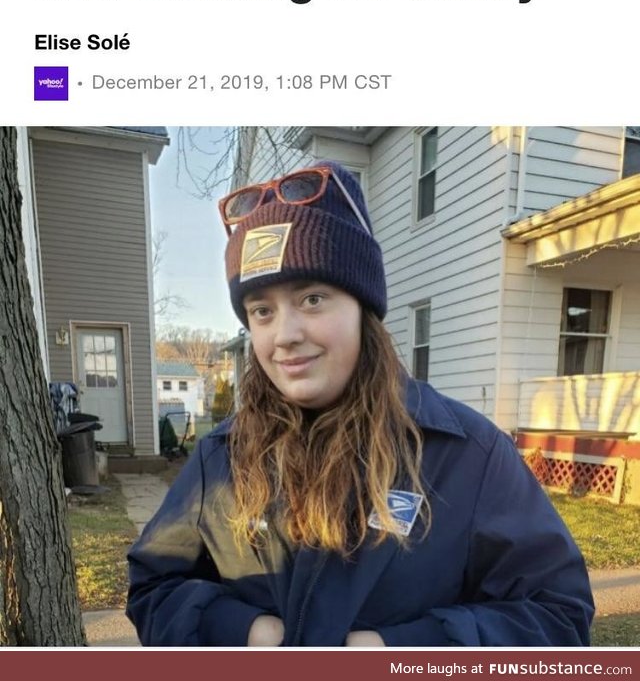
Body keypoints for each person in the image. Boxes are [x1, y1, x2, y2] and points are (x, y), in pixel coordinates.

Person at [126, 161, 594, 647]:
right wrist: (248, 632)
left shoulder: (466, 455)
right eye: (262, 310)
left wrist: (396, 652)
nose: (285, 335)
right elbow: (155, 587)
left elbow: (557, 618)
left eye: (312, 299)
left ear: (362, 310)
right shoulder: (222, 456)